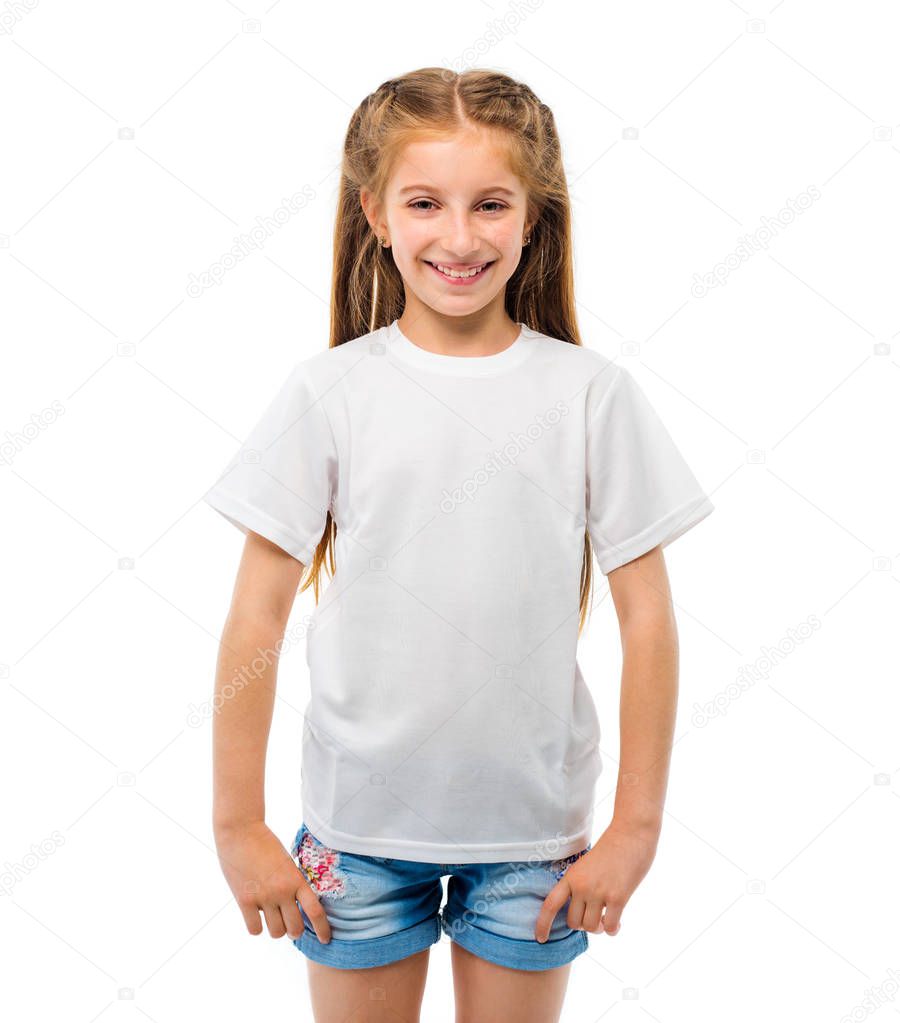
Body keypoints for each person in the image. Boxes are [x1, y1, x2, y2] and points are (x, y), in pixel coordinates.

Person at [203, 67, 715, 1023]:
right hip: (356, 833)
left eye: (491, 204)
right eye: (426, 203)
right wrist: (238, 823)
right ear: (376, 213)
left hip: (533, 837)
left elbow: (649, 624)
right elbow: (255, 618)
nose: (461, 236)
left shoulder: (591, 397)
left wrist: (635, 826)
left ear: (533, 217)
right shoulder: (329, 393)